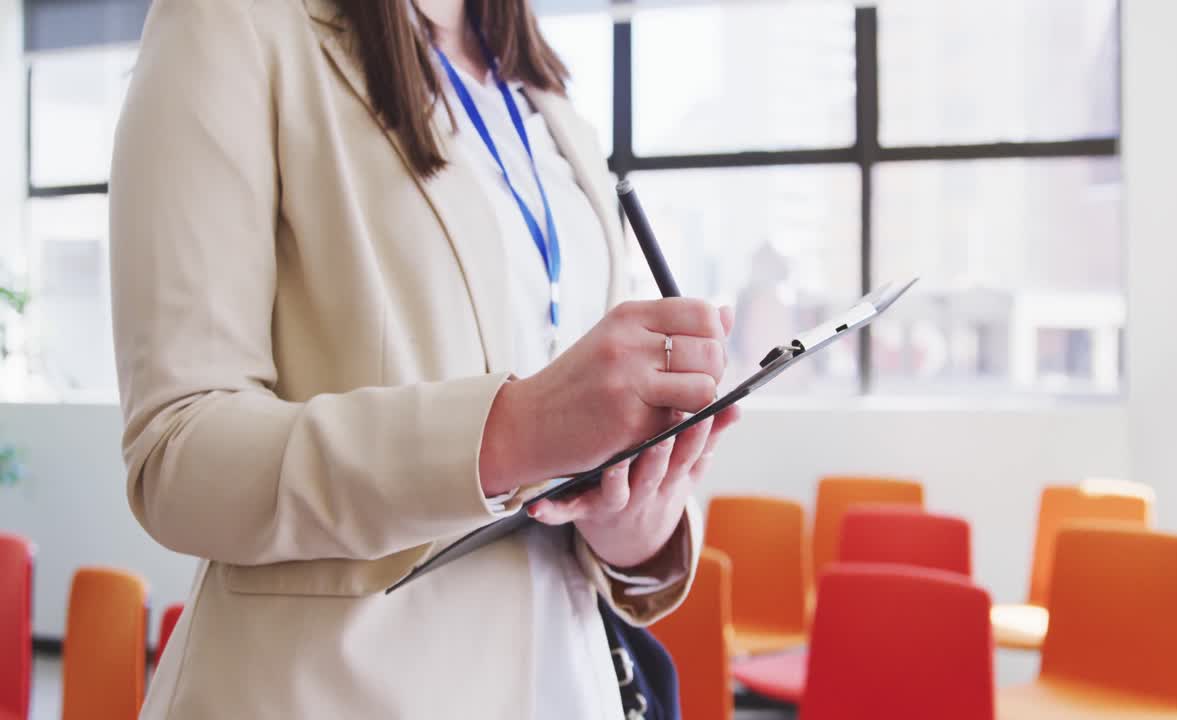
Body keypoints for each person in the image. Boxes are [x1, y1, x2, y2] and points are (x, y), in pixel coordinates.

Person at [108, 0, 738, 716]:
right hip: (339, 689)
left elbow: (575, 433)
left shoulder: (543, 94)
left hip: (567, 681)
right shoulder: (230, 21)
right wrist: (511, 431)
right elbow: (179, 456)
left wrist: (632, 518)